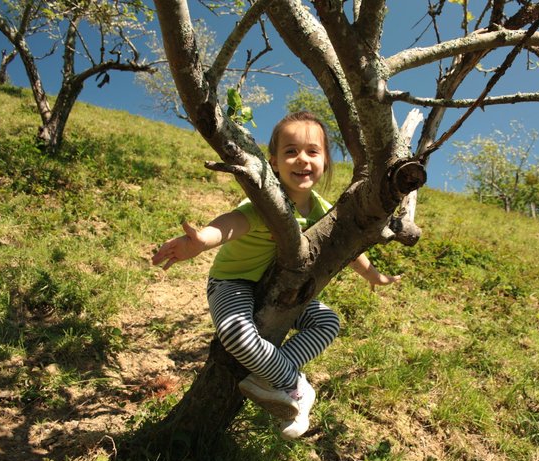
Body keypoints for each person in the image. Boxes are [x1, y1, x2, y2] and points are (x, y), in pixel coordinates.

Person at [152, 111, 400, 439]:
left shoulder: (325, 211)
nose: (302, 159)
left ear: (325, 160)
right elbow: (233, 223)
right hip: (233, 283)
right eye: (290, 151)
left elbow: (349, 249)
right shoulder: (266, 200)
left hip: (279, 288)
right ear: (273, 161)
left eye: (313, 151)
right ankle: (294, 386)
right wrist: (201, 241)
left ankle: (266, 376)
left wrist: (374, 276)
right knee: (236, 335)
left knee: (328, 322)